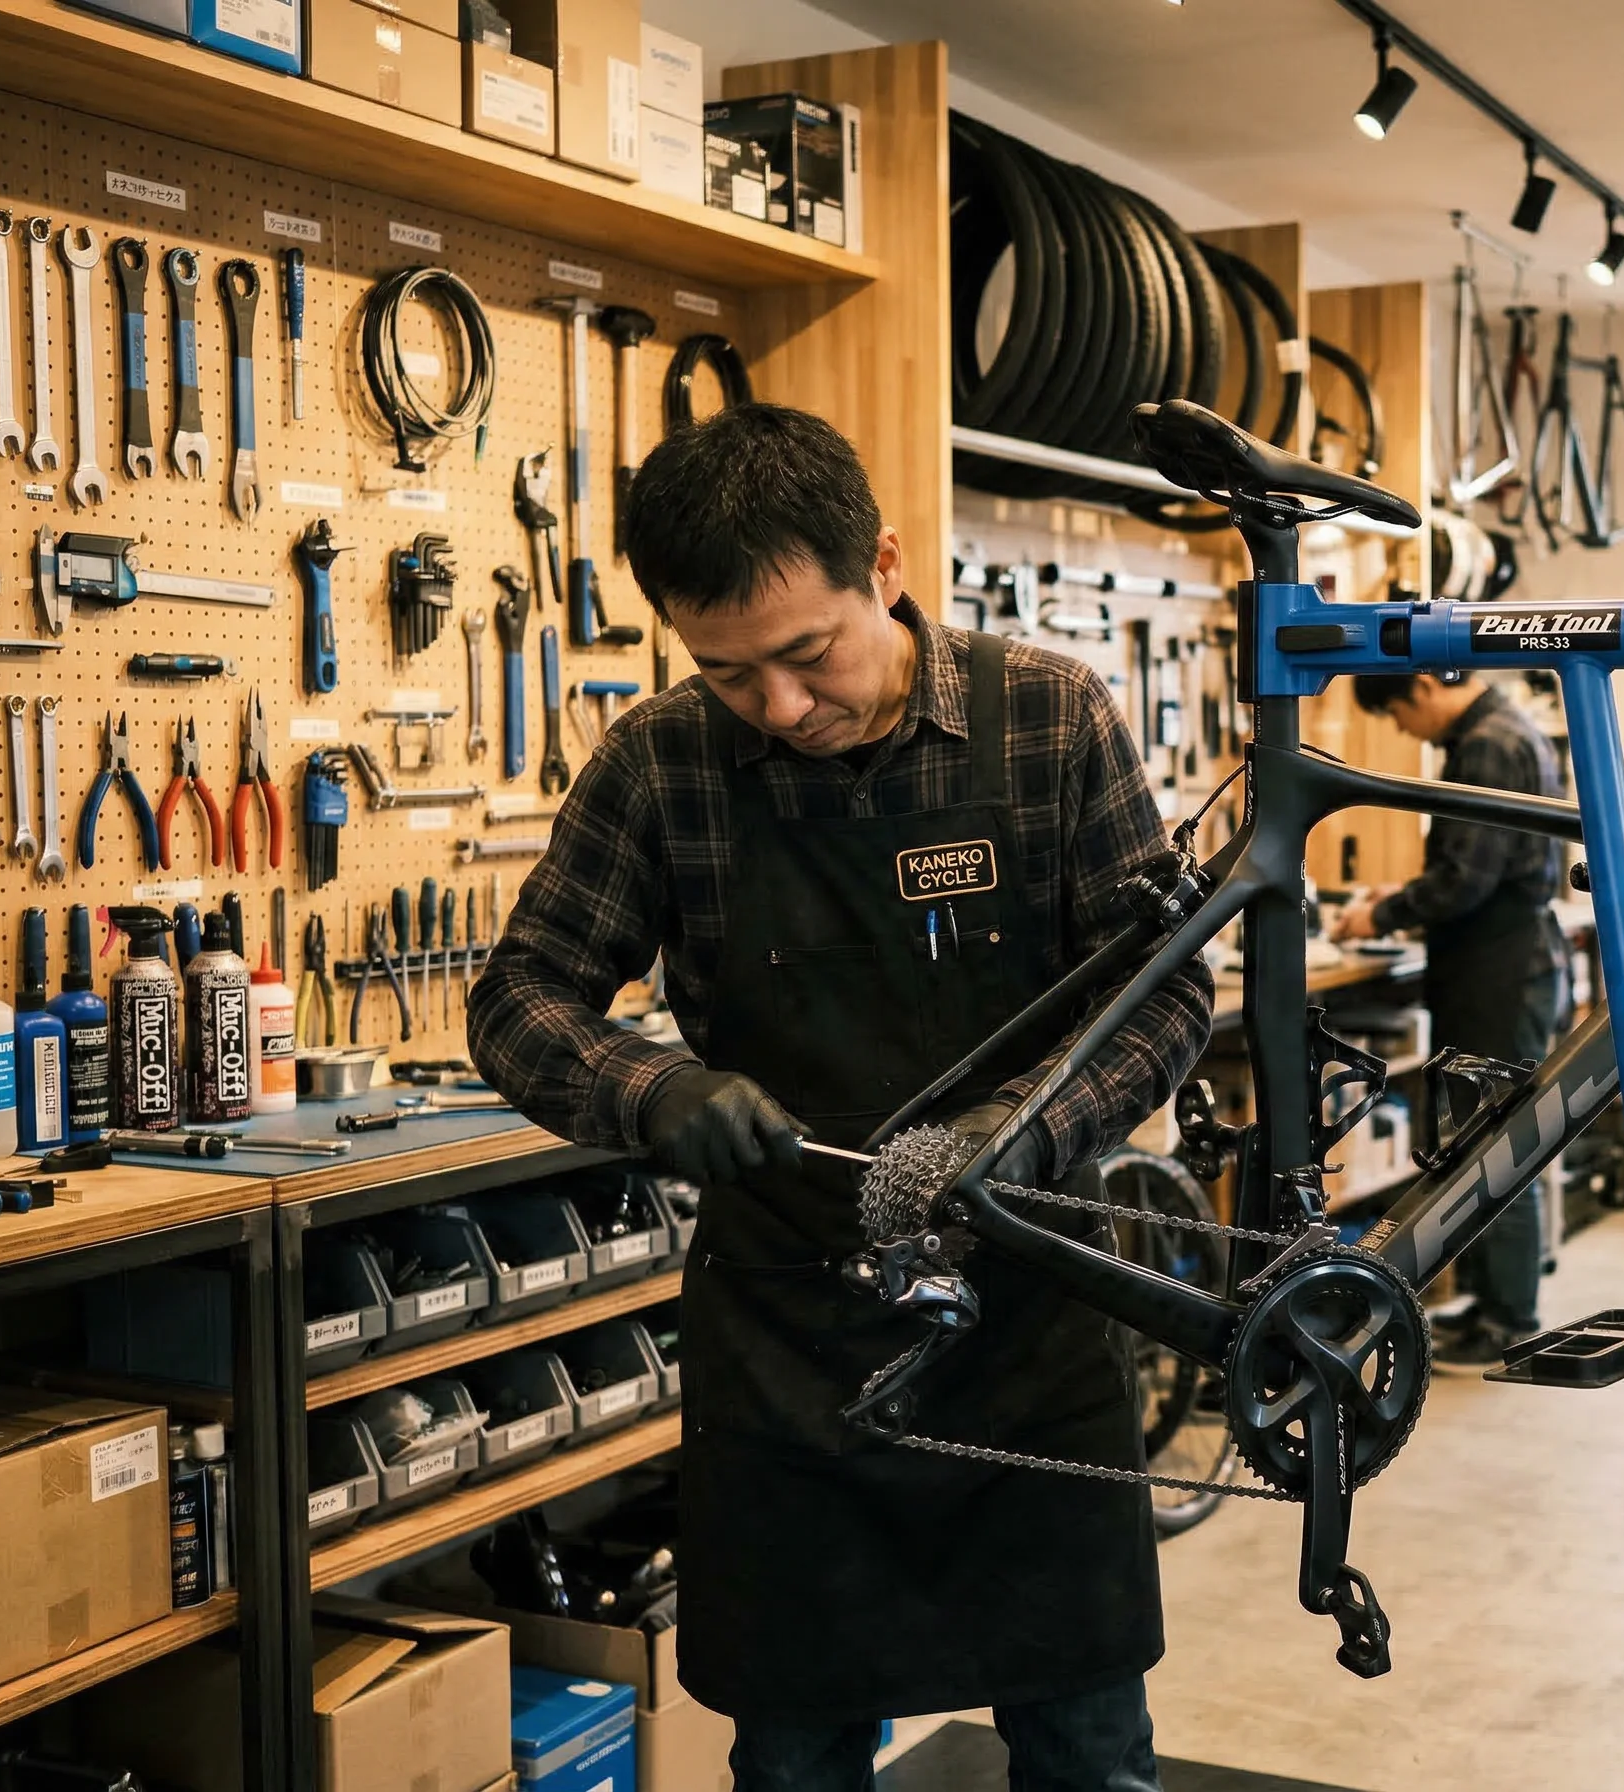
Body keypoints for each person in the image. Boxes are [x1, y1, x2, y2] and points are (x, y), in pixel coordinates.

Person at [468, 403, 1212, 1792]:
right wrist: (653, 1088)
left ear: (884, 564)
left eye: (810, 656)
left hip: (1031, 1330)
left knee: (1087, 1754)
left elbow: (1166, 996)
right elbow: (519, 999)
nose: (780, 709)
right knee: (795, 1758)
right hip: (790, 1354)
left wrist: (1026, 1129)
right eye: (728, 672)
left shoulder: (1049, 720)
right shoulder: (662, 762)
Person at [1329, 668, 1567, 1365]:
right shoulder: (1507, 729)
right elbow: (1476, 865)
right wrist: (1401, 896)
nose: (1406, 731)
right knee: (1480, 1140)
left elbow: (1466, 879)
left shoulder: (1487, 745)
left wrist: (1382, 913)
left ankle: (1508, 1318)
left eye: (1399, 716)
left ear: (1423, 688)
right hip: (1506, 961)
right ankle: (1493, 1302)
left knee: (1496, 1143)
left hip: (1500, 969)